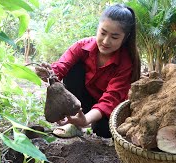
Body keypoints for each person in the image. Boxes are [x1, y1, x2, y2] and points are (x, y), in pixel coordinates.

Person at [35, 4, 141, 138]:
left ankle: (82, 122)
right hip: (83, 102)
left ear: (125, 38)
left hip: (108, 109)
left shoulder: (126, 63)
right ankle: (75, 122)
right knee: (73, 69)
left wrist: (86, 120)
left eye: (114, 37)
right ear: (98, 28)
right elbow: (61, 67)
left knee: (104, 130)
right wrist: (47, 73)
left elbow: (110, 100)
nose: (106, 41)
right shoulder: (82, 46)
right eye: (103, 33)